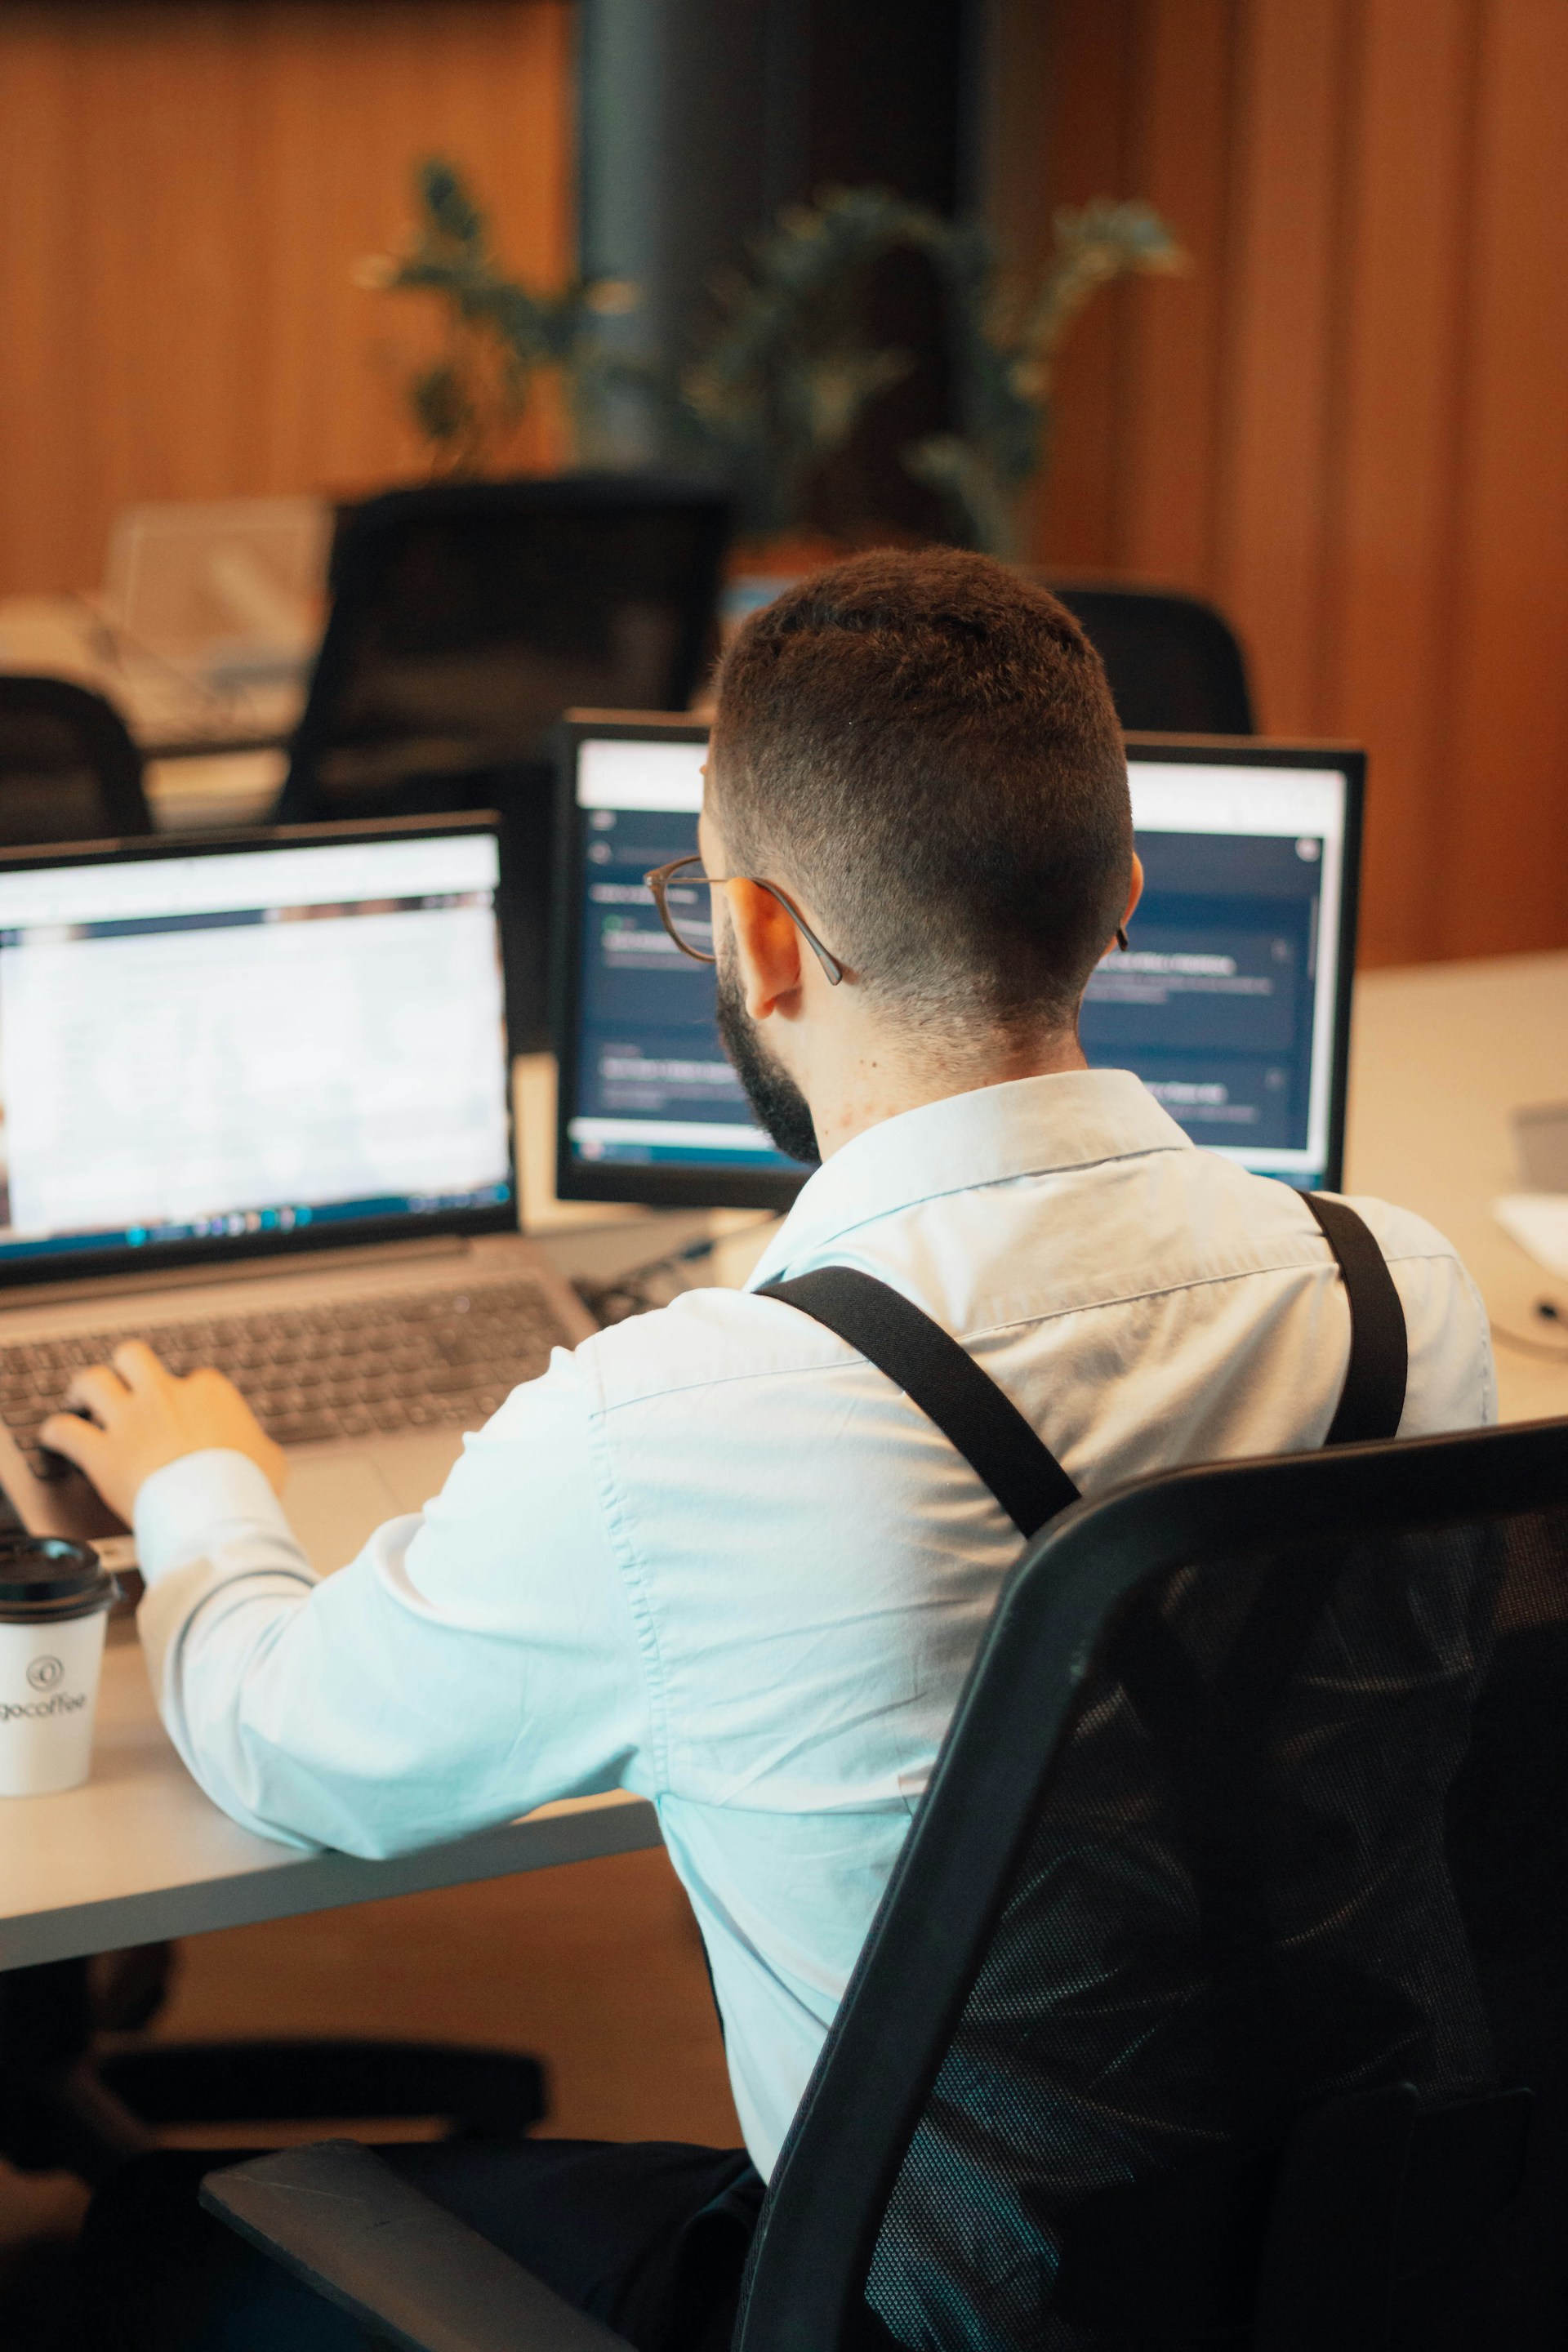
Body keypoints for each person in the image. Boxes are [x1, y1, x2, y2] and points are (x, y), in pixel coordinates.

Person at [52, 550, 1493, 2350]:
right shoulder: (1403, 1292)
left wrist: (196, 1484)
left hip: (908, 2309)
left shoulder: (685, 1420)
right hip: (1364, 2260)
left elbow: (289, 1748)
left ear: (755, 938)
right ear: (1122, 900)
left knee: (148, 2248)